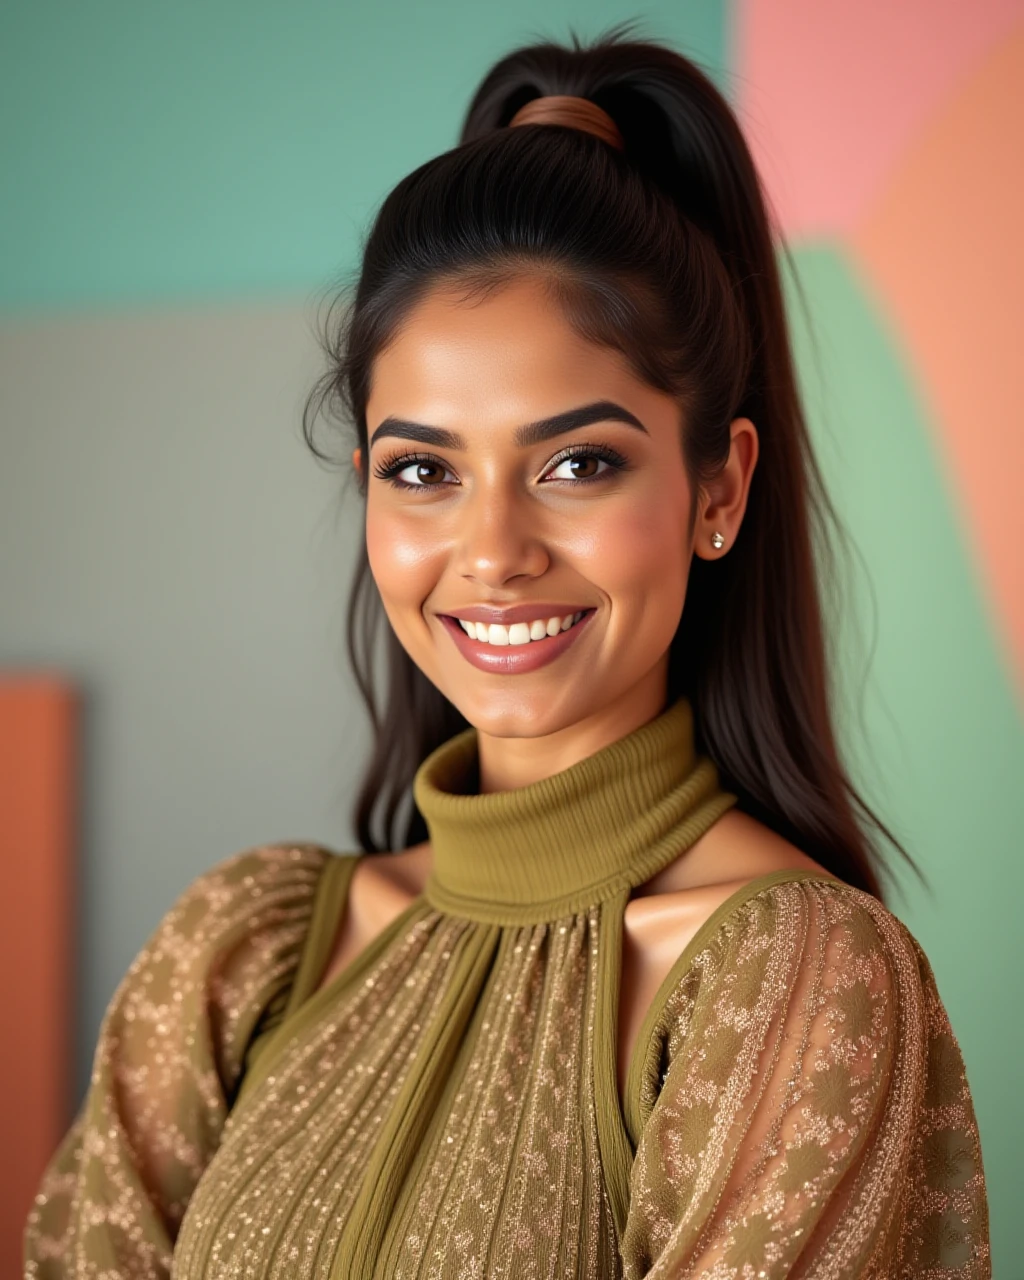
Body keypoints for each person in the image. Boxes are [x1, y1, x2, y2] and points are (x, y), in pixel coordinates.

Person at [25, 25, 989, 1280]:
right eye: (422, 469)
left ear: (719, 489)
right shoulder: (237, 954)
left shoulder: (793, 983)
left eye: (578, 463)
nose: (492, 551)